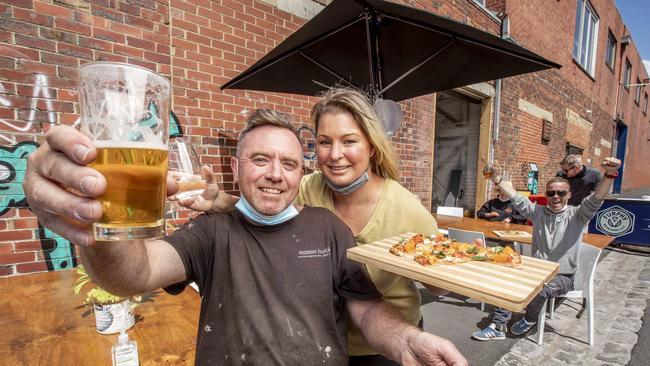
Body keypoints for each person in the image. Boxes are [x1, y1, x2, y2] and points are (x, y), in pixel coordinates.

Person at [24, 110, 466, 366]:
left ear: (301, 173)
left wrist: (406, 339)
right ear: (235, 170)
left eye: (289, 164)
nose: (275, 173)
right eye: (260, 159)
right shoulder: (212, 231)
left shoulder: (328, 228)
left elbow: (367, 309)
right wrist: (95, 227)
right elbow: (132, 273)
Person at [179, 88, 446, 366]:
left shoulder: (407, 209)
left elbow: (440, 285)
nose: (335, 154)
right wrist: (219, 201)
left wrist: (463, 269)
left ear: (372, 146)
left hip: (387, 344)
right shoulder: (306, 188)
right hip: (328, 341)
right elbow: (266, 206)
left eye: (349, 141)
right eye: (324, 142)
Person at [471, 157, 621, 341]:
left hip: (563, 276)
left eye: (560, 192)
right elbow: (515, 198)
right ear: (546, 195)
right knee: (510, 278)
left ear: (568, 195)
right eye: (551, 193)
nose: (556, 196)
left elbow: (597, 197)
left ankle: (530, 319)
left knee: (542, 289)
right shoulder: (538, 212)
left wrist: (610, 174)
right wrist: (496, 177)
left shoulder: (577, 214)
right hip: (536, 270)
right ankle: (498, 326)